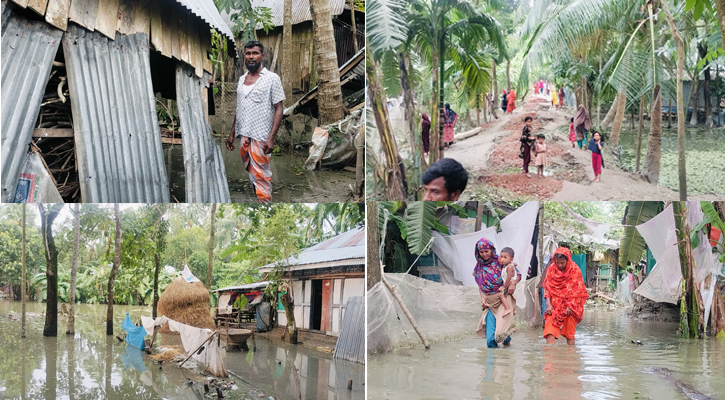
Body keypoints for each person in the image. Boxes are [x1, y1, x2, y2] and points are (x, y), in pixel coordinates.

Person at [226, 40, 285, 203]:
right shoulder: (242, 79)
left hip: (261, 135)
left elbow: (279, 108)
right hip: (243, 134)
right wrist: (232, 133)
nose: (251, 57)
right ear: (244, 56)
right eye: (248, 53)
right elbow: (239, 108)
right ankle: (260, 193)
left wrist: (271, 138)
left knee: (261, 172)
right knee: (250, 168)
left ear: (262, 56)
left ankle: (264, 200)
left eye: (255, 53)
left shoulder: (272, 78)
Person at [474, 238, 521, 348]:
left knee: (501, 335)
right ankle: (491, 363)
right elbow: (480, 285)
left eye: (486, 251)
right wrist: (482, 299)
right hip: (490, 303)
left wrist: (513, 283)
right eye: (481, 252)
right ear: (478, 253)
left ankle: (506, 353)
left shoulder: (501, 261)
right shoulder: (478, 267)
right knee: (490, 340)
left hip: (502, 299)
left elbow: (517, 274)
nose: (484, 254)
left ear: (491, 250)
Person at [543, 248, 589, 345]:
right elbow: (547, 287)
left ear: (568, 259)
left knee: (569, 334)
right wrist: (548, 305)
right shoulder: (551, 269)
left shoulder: (574, 269)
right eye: (558, 262)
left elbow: (577, 289)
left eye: (562, 263)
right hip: (554, 305)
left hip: (571, 305)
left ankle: (570, 356)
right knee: (549, 332)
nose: (560, 265)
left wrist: (570, 306)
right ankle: (549, 357)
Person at [498, 247, 519, 316]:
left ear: (511, 259)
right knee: (509, 296)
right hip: (508, 283)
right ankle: (513, 309)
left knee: (501, 295)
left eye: (505, 257)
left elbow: (508, 278)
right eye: (501, 257)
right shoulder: (506, 265)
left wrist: (504, 286)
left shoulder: (509, 267)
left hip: (509, 283)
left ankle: (507, 309)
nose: (502, 259)